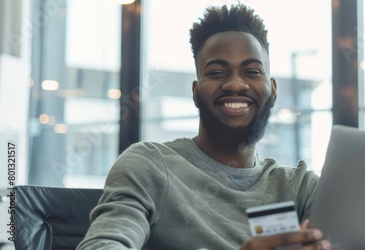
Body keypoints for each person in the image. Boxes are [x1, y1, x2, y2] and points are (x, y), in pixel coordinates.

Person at [77, 3, 330, 250]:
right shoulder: (150, 166)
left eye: (252, 71)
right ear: (196, 93)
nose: (235, 84)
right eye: (218, 72)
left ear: (273, 90)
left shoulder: (300, 188)